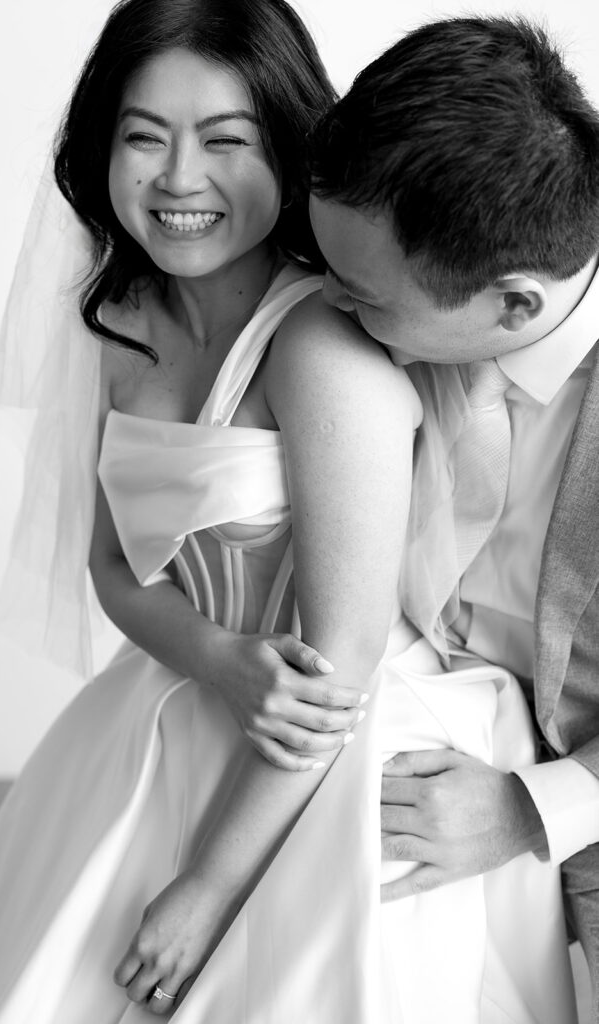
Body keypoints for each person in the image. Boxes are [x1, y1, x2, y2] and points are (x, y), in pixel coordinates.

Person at [0, 3, 576, 1022]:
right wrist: (215, 658)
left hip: (349, 735)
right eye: (143, 136)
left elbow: (341, 660)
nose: (179, 179)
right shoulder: (117, 323)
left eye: (226, 140)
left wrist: (209, 885)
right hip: (188, 697)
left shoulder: (323, 341)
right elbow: (109, 566)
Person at [308, 11, 599, 1012]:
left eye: (362, 296)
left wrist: (528, 809)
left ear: (513, 304)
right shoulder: (391, 318)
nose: (330, 310)